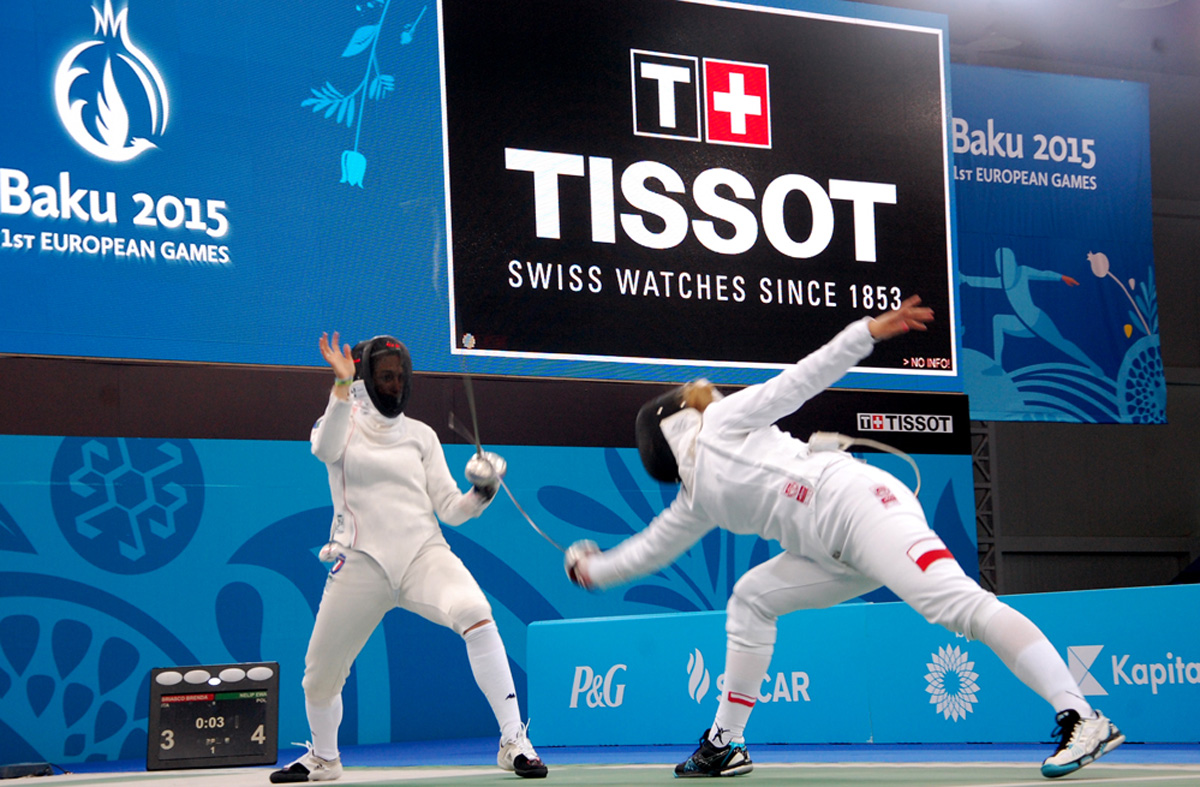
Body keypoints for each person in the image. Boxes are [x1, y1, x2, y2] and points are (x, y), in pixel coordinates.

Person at [563, 297, 1122, 780]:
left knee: (959, 607)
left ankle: (1081, 716)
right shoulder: (702, 479)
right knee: (751, 599)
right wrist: (594, 568)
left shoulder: (714, 448)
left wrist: (866, 334)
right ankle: (724, 744)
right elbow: (648, 549)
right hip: (828, 552)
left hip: (860, 506)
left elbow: (797, 383)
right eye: (691, 397)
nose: (703, 394)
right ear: (674, 422)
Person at [270, 332, 547, 782]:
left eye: (400, 377)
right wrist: (341, 387)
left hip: (423, 555)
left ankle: (513, 739)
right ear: (363, 378)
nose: (395, 385)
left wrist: (483, 489)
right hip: (359, 560)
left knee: (476, 612)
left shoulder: (421, 436)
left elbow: (453, 511)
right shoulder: (337, 424)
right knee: (318, 677)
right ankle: (324, 757)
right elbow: (324, 449)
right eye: (385, 376)